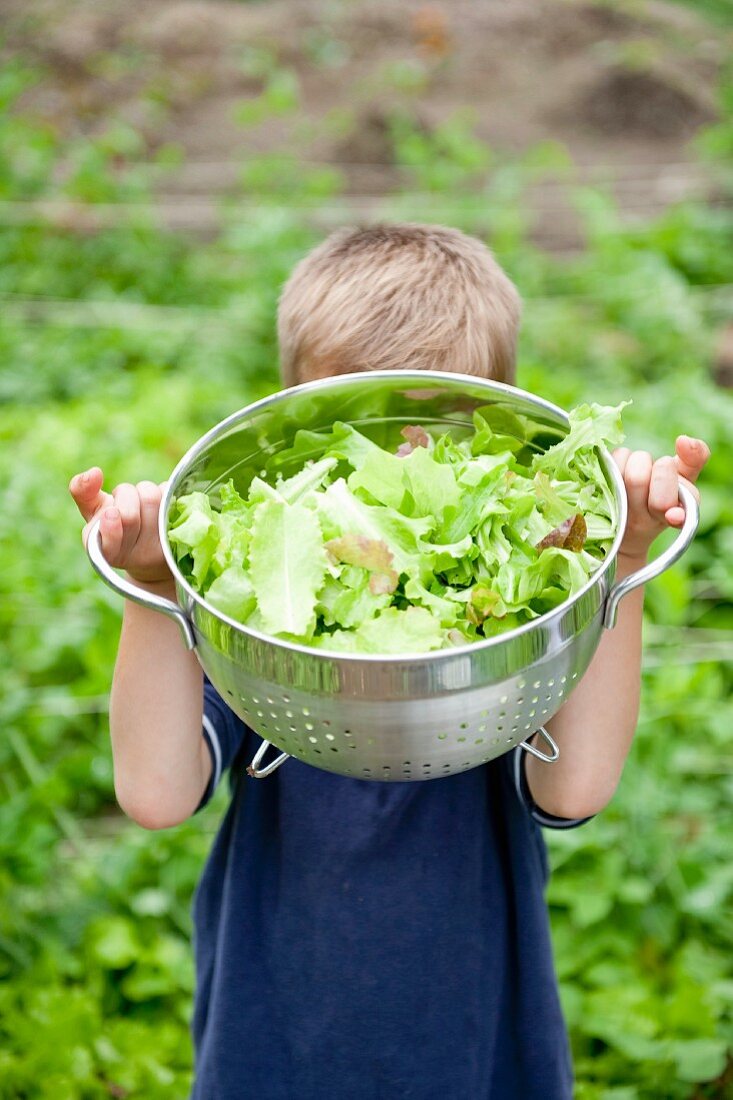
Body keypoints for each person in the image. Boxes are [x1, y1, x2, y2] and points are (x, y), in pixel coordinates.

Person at [69, 224, 709, 1099]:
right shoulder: (261, 604)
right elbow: (153, 792)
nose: (402, 459)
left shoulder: (508, 613)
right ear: (296, 423)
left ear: (498, 428)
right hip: (276, 1049)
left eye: (439, 425)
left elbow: (577, 786)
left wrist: (619, 564)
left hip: (475, 1052)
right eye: (365, 423)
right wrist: (155, 587)